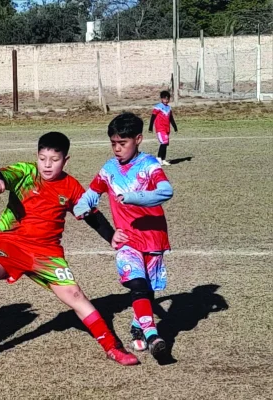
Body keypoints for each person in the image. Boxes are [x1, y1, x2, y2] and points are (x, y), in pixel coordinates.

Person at [0, 131, 139, 366]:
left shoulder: (70, 186)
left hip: (47, 253)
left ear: (66, 160)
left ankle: (112, 347)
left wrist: (111, 237)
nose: (47, 165)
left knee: (76, 296)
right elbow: (0, 174)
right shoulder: (27, 172)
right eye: (42, 158)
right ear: (36, 157)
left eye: (54, 160)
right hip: (12, 243)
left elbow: (91, 215)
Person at [74, 112, 173, 360]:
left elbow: (166, 191)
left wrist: (133, 197)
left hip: (153, 237)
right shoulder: (108, 169)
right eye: (113, 143)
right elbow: (91, 193)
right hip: (126, 239)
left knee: (147, 290)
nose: (117, 149)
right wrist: (80, 206)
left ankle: (138, 326)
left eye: (123, 143)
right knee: (136, 284)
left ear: (138, 139)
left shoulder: (150, 165)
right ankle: (152, 335)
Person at [148, 90, 178, 166]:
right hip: (160, 128)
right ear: (161, 99)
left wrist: (175, 127)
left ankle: (163, 159)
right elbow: (153, 117)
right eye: (164, 99)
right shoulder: (158, 107)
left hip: (166, 128)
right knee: (164, 142)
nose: (166, 100)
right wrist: (150, 127)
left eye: (167, 99)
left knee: (165, 144)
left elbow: (171, 118)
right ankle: (158, 159)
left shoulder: (169, 108)